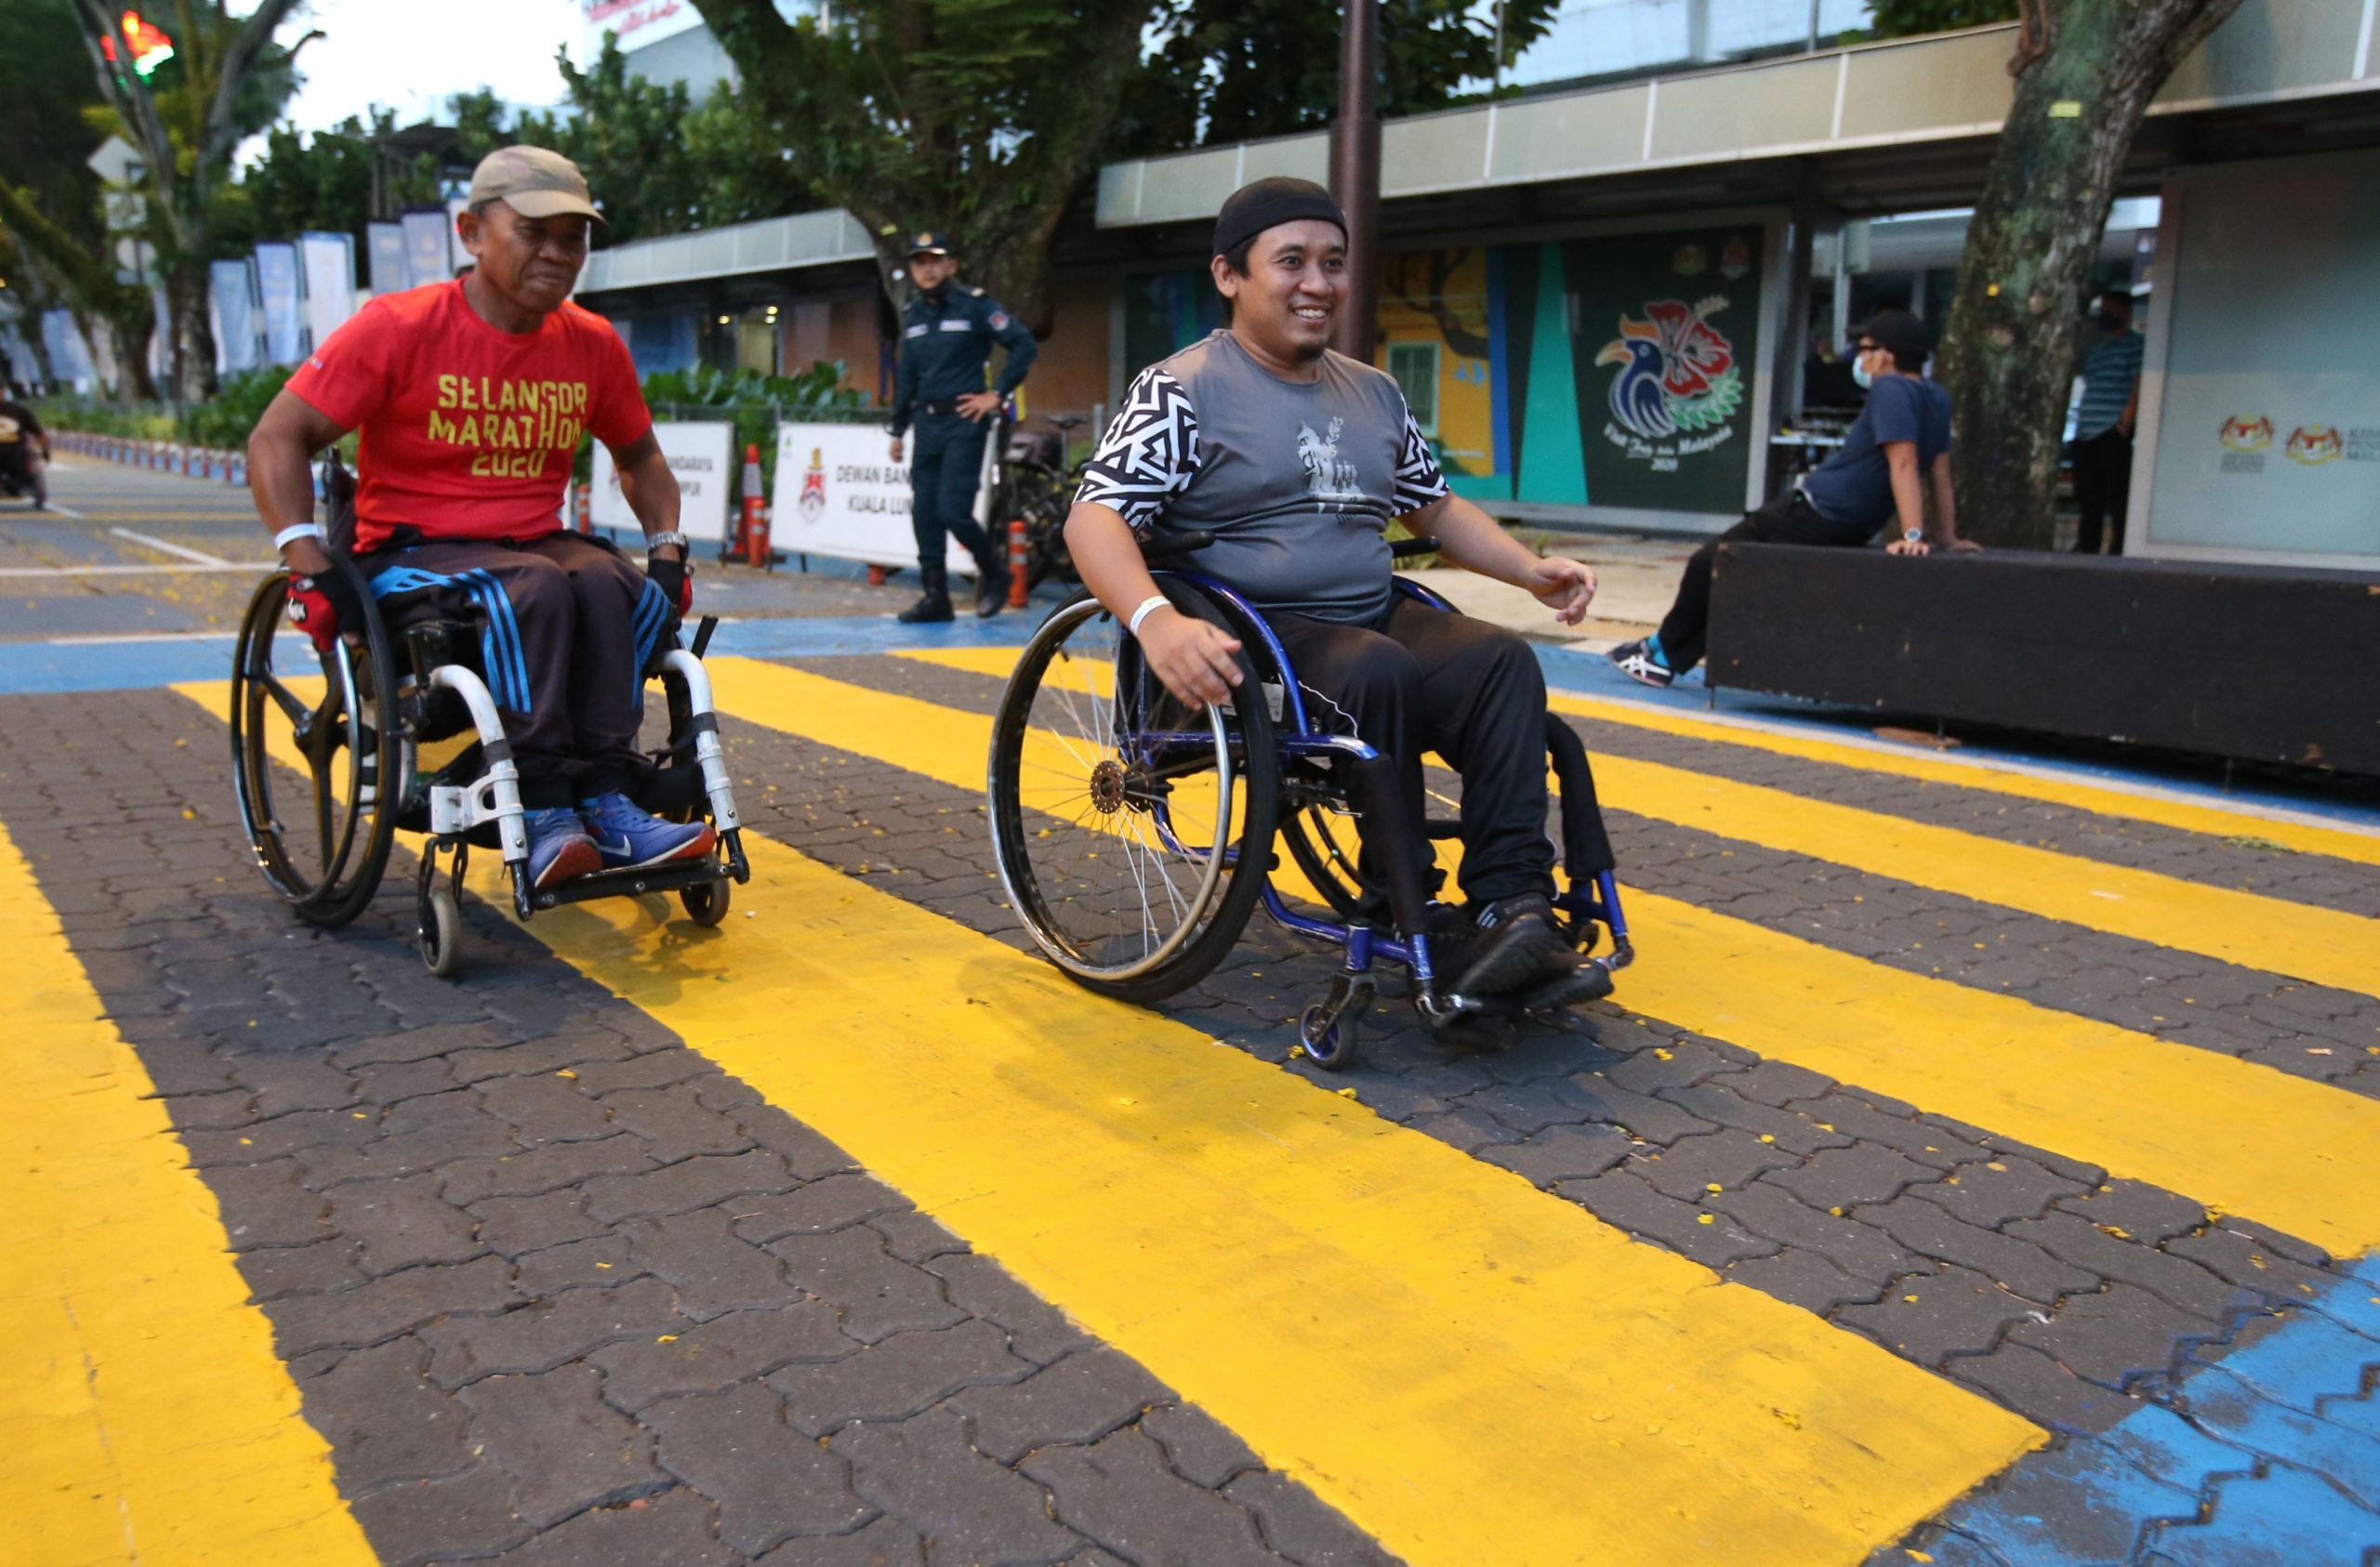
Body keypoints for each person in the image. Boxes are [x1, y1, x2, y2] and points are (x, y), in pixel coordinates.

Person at [1064, 177, 1606, 1016]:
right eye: (1291, 262)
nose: (1318, 283)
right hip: (1256, 635)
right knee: (1377, 671)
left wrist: (1527, 572)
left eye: (1334, 263)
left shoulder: (1374, 392)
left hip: (1368, 615)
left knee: (1500, 661)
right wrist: (1155, 620)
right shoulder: (1182, 388)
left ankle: (1513, 905)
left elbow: (1432, 506)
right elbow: (1096, 518)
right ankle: (1412, 910)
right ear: (1230, 276)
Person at [246, 145, 712, 893]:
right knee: (529, 588)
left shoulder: (589, 342)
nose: (559, 253)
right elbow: (278, 437)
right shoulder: (397, 328)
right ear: (470, 232)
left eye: (575, 237)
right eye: (536, 232)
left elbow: (641, 458)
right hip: (410, 547)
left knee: (612, 587)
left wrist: (665, 551)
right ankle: (545, 807)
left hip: (529, 542)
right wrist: (305, 559)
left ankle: (608, 798)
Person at [1610, 308, 1977, 689]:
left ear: (1886, 354)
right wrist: (1947, 537)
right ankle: (1656, 649)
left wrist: (1913, 536)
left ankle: (1663, 656)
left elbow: (1903, 462)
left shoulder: (1891, 389)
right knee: (1737, 575)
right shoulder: (1937, 398)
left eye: (1865, 350)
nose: (1861, 360)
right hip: (1848, 524)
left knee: (1709, 562)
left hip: (1815, 512)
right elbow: (1940, 474)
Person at [885, 230, 1038, 623]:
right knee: (925, 514)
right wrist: (898, 430)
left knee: (954, 511)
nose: (928, 268)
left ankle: (996, 573)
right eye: (920, 262)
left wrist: (998, 394)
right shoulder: (913, 315)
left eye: (935, 260)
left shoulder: (974, 306)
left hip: (964, 423)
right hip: (926, 424)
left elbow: (1023, 344)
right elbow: (908, 376)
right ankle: (936, 598)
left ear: (951, 266)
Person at [2070, 286, 2143, 555]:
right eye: (2103, 311)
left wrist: (2125, 421)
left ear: (2125, 311)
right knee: (2088, 495)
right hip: (2087, 429)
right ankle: (2087, 545)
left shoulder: (2135, 346)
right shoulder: (2098, 349)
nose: (2105, 316)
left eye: (2111, 311)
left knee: (2116, 495)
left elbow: (2138, 383)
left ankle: (2119, 547)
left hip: (2111, 428)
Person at [0, 394, 49, 508]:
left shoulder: (18, 411)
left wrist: (45, 452)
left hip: (16, 453)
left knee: (25, 460)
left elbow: (38, 433)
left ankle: (18, 485)